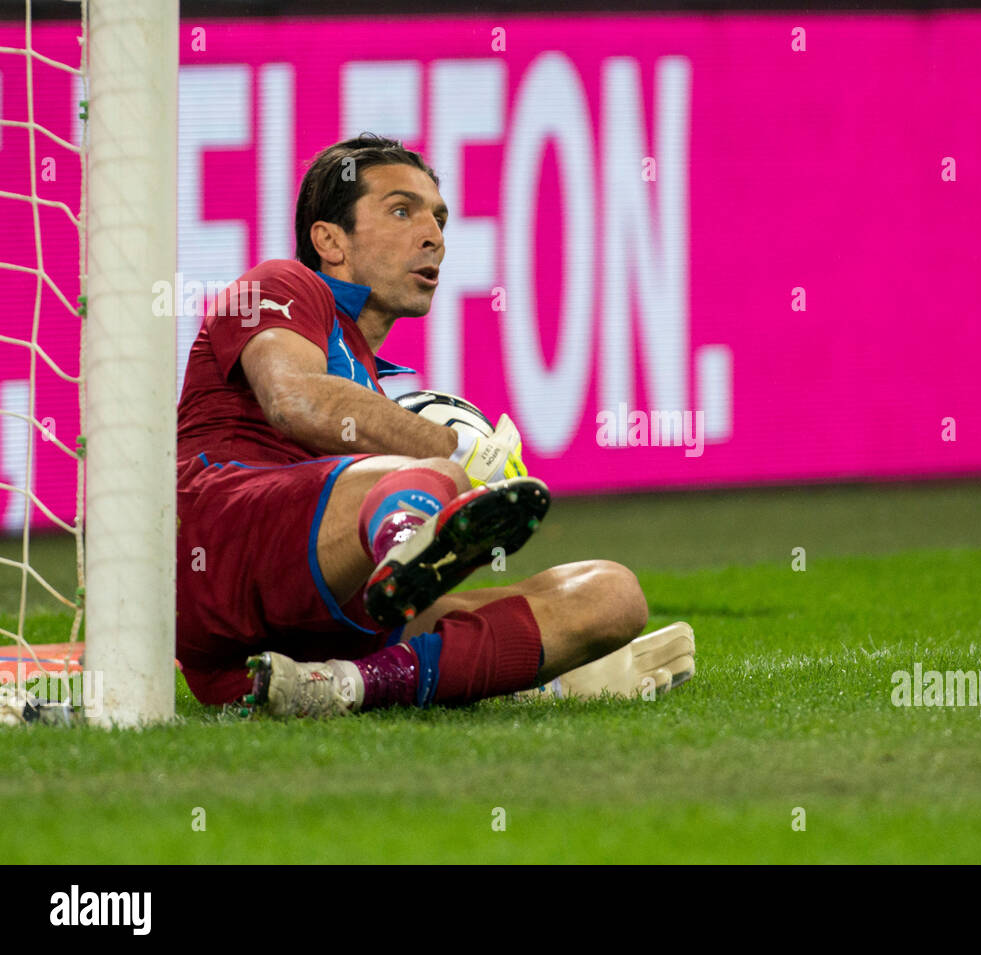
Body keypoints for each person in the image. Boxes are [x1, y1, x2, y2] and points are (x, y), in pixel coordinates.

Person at [175, 134, 694, 717]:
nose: (435, 236)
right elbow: (295, 401)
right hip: (215, 553)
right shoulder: (281, 283)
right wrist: (457, 453)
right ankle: (411, 558)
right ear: (330, 240)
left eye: (439, 218)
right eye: (402, 210)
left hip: (297, 636)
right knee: (430, 474)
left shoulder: (371, 384)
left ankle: (347, 684)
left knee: (611, 593)